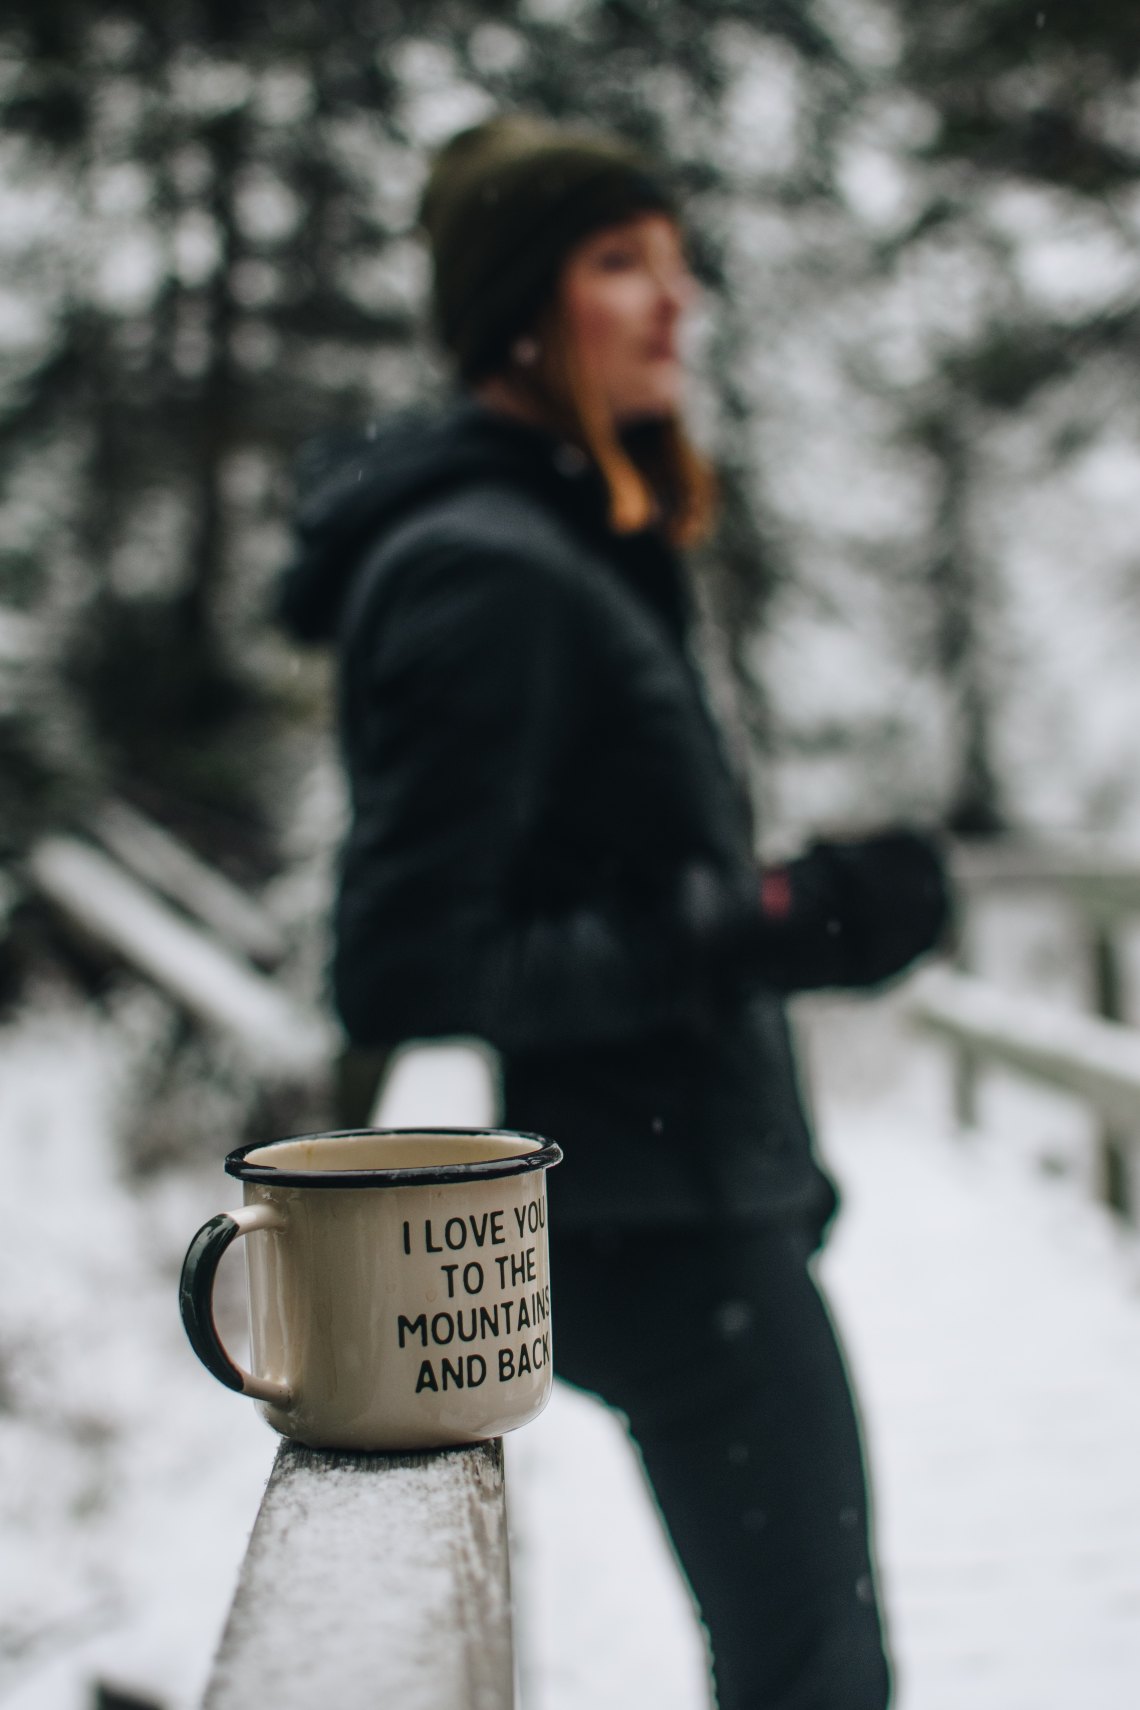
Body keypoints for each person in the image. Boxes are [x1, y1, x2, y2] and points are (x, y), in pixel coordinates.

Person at [277, 113, 950, 1710]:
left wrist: (779, 916)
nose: (677, 301)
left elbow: (582, 883)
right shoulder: (489, 565)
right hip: (654, 1224)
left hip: (683, 1197)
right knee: (817, 1673)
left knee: (807, 1660)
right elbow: (407, 959)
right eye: (618, 262)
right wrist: (783, 922)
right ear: (522, 307)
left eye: (677, 260)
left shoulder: (568, 536)